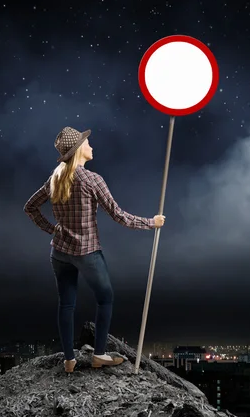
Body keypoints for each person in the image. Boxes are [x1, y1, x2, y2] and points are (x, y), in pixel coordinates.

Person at [23, 126, 165, 374]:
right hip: (87, 252)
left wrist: (52, 229)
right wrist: (152, 223)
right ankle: (99, 354)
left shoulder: (55, 178)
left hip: (59, 252)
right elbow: (120, 216)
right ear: (79, 150)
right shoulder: (92, 180)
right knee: (105, 298)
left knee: (66, 304)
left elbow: (30, 207)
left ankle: (69, 360)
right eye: (86, 142)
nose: (90, 145)